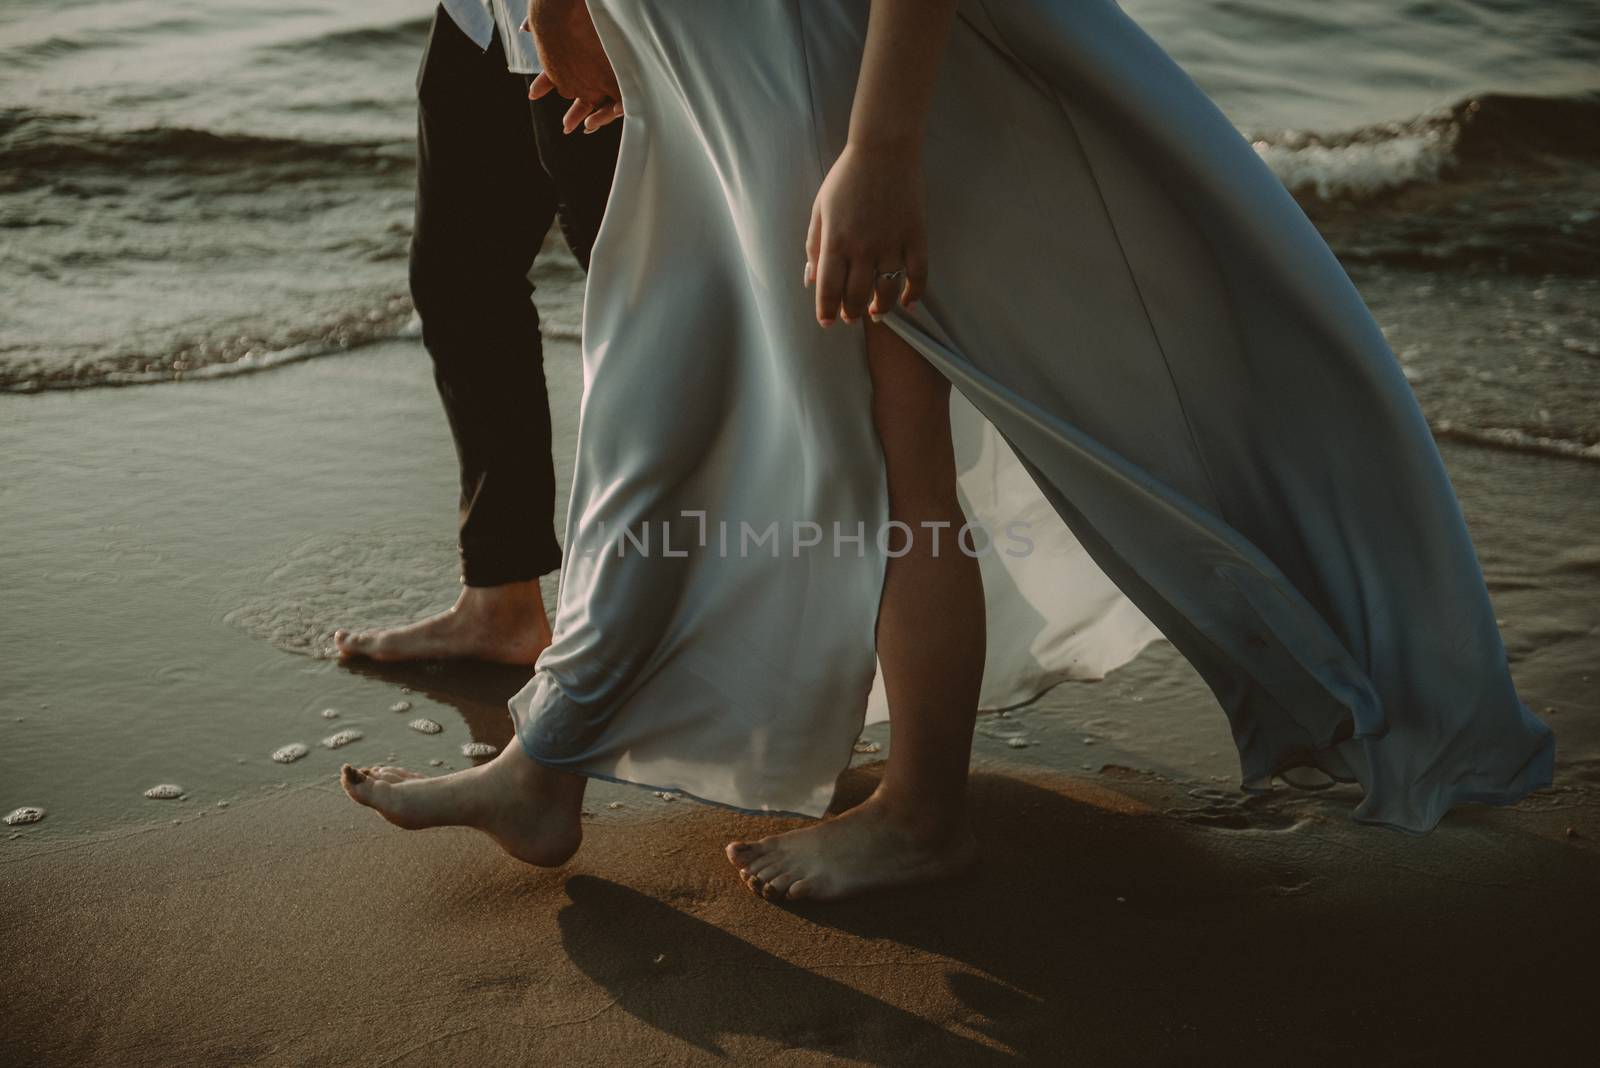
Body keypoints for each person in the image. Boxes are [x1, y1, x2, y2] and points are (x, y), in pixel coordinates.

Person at [340, 0, 1554, 901]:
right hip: (703, 85)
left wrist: (878, 151)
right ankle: (550, 766)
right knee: (657, 416)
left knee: (879, 434)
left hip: (808, 77)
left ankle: (921, 812)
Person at [332, 0, 619, 665]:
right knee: (459, 278)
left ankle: (770, 607)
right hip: (481, 16)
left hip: (584, 13)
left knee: (647, 298)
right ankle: (501, 602)